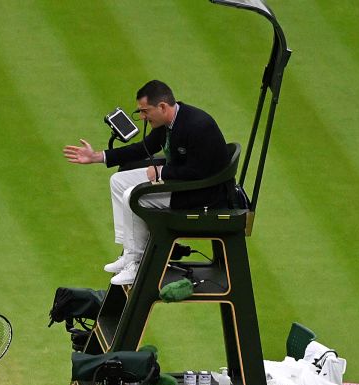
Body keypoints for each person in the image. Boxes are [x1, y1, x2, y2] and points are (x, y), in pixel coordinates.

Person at [62, 80, 235, 286]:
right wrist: (99, 156)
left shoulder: (198, 126)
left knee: (132, 195)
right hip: (181, 181)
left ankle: (137, 263)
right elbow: (143, 148)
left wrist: (163, 171)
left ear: (162, 107)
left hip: (203, 193)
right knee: (119, 181)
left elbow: (201, 172)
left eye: (145, 111)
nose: (142, 117)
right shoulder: (167, 123)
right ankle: (129, 253)